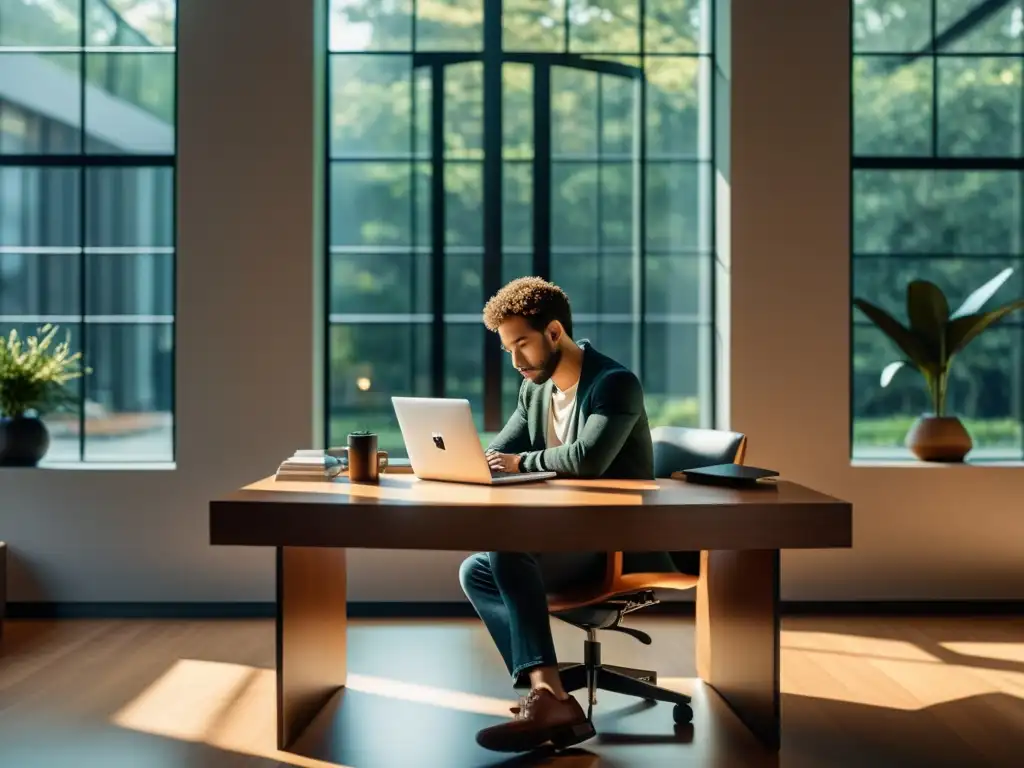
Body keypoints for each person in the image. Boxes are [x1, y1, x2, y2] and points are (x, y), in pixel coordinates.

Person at [460, 276, 670, 753]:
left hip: (615, 544)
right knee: (475, 569)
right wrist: (462, 459)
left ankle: (549, 701)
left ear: (554, 332)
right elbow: (500, 452)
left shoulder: (614, 384)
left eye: (522, 345)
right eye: (507, 349)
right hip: (565, 539)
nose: (515, 361)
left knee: (505, 550)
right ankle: (548, 694)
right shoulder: (535, 392)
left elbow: (586, 459)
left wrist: (521, 464)